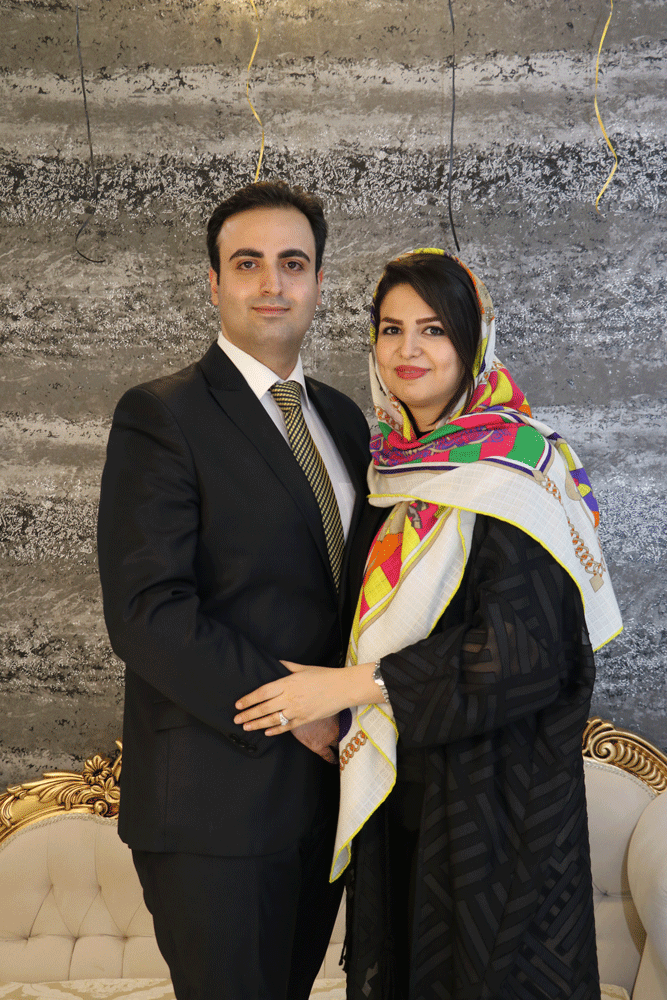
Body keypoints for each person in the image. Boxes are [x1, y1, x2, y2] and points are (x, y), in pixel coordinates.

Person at [234, 249, 623, 999]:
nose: (408, 349)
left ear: (474, 341)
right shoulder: (390, 468)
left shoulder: (519, 470)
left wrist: (348, 686)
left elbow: (522, 657)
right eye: (392, 328)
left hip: (498, 805)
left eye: (434, 329)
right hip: (404, 792)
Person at [96, 180, 372, 1000]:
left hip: (326, 797)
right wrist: (302, 709)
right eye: (247, 263)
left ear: (318, 282)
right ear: (214, 282)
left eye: (293, 263)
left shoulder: (343, 420)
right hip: (214, 801)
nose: (271, 283)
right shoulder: (161, 415)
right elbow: (147, 613)